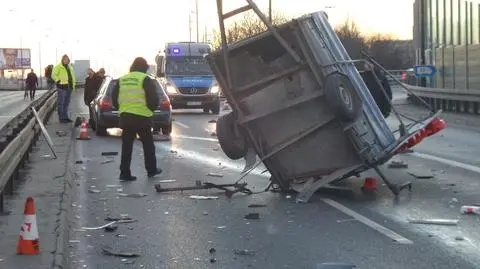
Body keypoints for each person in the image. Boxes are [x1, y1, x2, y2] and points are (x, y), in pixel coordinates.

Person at [112, 57, 162, 181]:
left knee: (127, 146)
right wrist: (150, 110)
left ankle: (124, 173)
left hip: (126, 117)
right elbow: (153, 98)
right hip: (142, 117)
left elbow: (114, 98)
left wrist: (122, 108)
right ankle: (151, 170)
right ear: (144, 67)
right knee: (148, 145)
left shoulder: (122, 79)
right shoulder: (145, 79)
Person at [52, 55, 76, 123]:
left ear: (68, 60)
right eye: (64, 59)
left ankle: (66, 117)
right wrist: (58, 81)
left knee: (66, 103)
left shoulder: (70, 67)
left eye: (67, 59)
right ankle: (61, 118)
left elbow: (72, 76)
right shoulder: (58, 66)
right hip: (62, 87)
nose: (66, 60)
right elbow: (53, 75)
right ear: (62, 60)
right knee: (61, 103)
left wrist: (73, 85)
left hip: (69, 87)